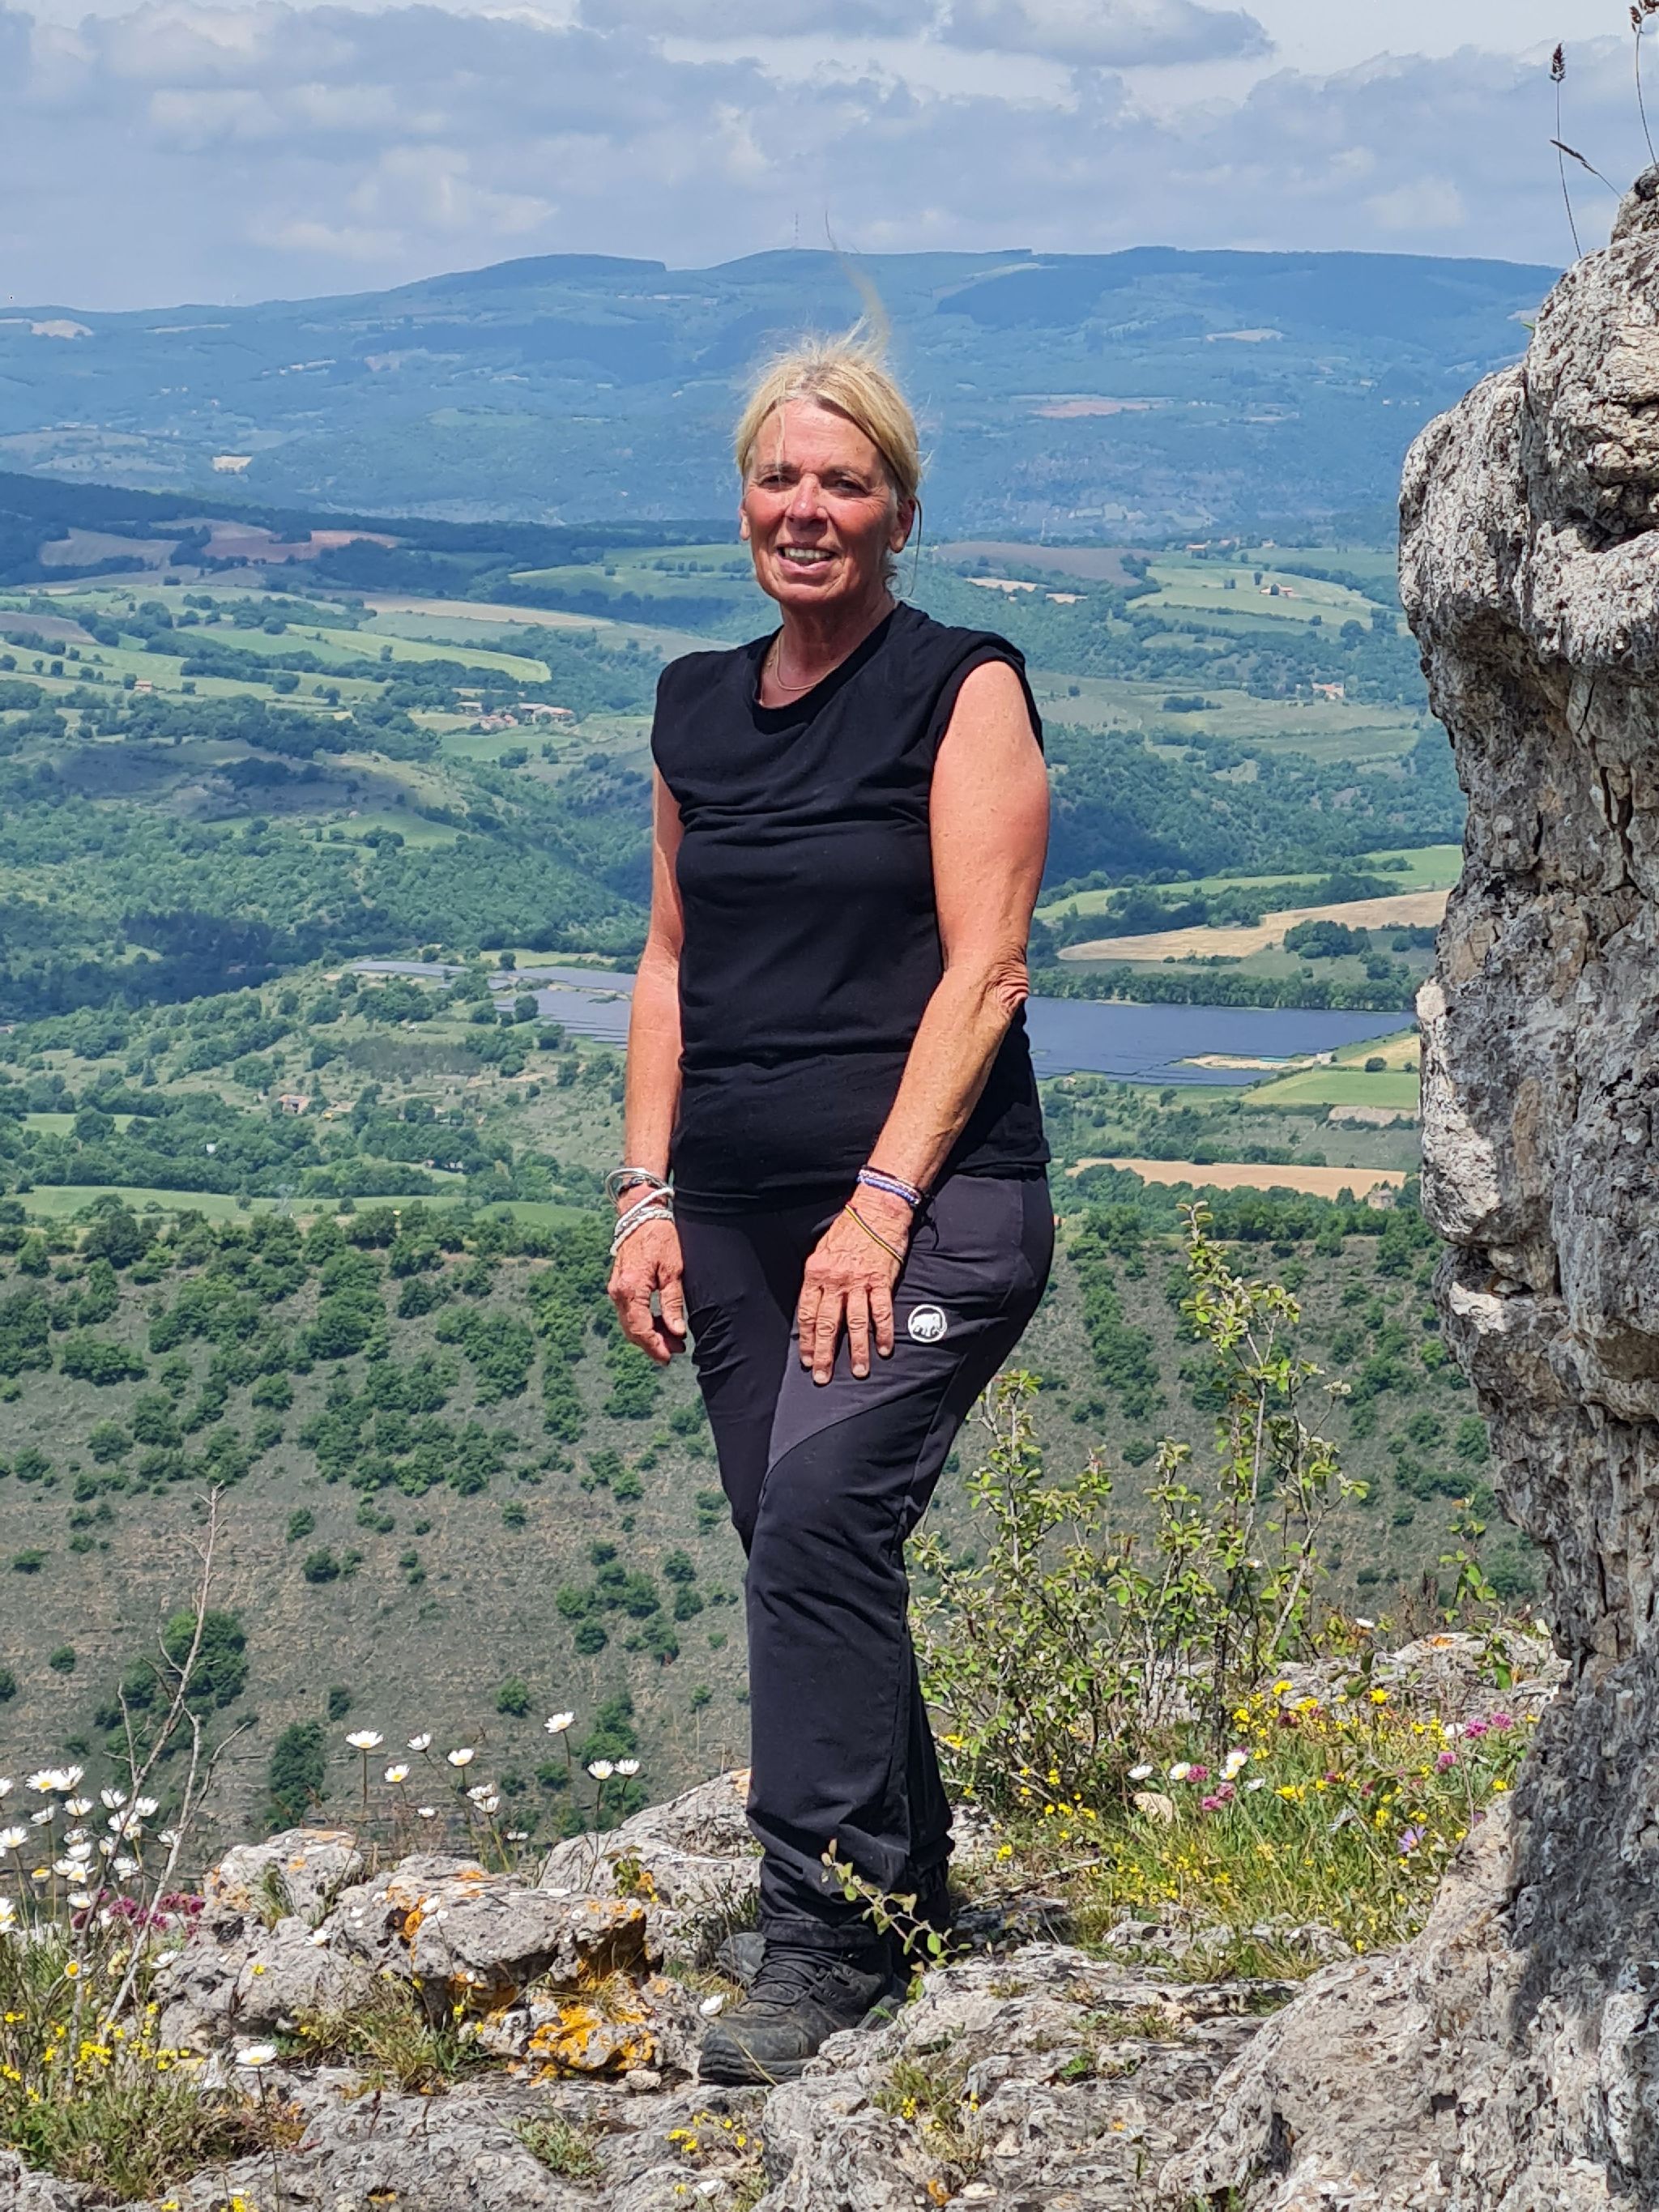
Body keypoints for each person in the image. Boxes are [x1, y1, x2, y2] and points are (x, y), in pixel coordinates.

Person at [607, 330, 1052, 2085]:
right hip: (729, 1208)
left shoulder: (962, 687)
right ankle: (905, 1888)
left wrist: (878, 1203)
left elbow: (987, 970)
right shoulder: (691, 706)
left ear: (898, 514)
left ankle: (823, 1941)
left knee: (812, 1519)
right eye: (779, 478)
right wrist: (645, 1190)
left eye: (843, 483)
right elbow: (667, 961)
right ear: (743, 500)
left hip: (931, 1202)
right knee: (802, 1543)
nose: (807, 509)